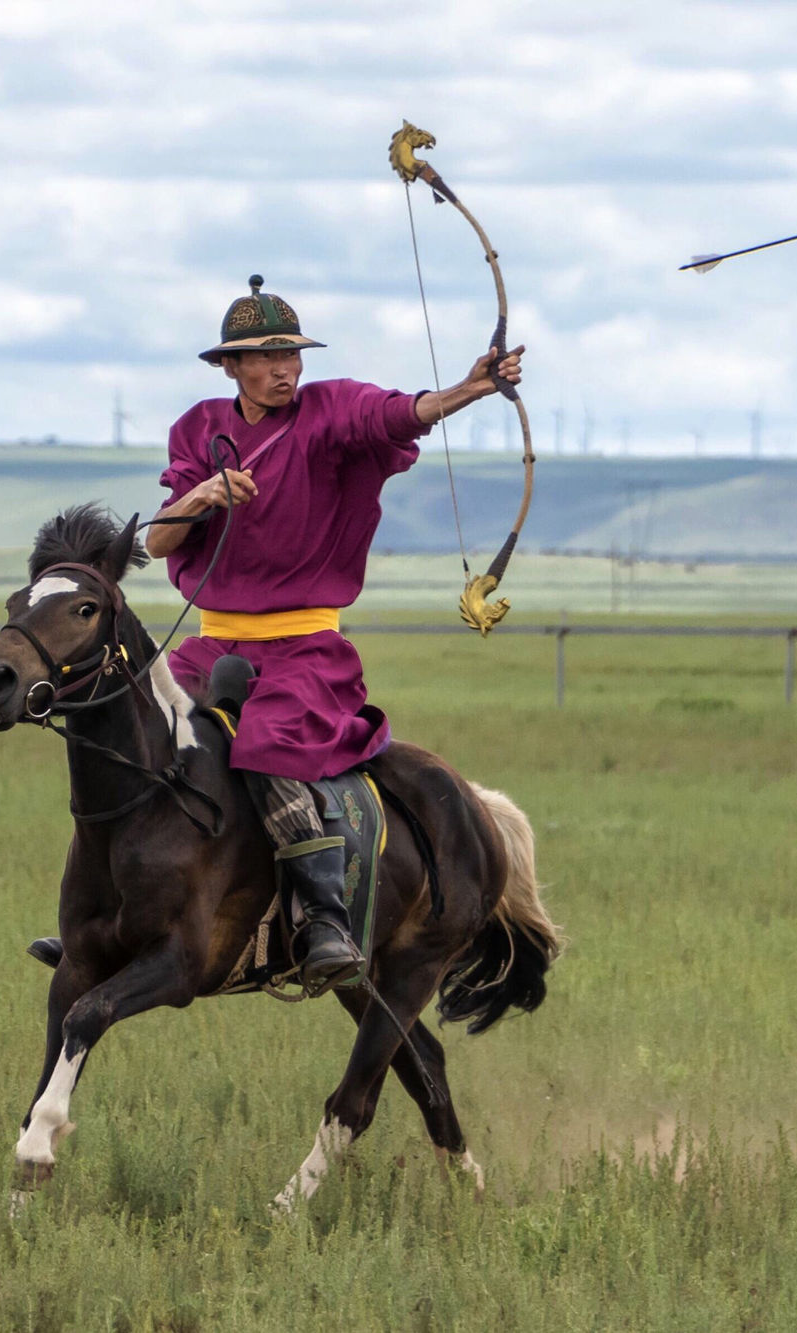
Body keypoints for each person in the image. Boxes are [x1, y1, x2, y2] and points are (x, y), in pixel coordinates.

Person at [146, 275, 521, 990]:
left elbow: (400, 414)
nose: (285, 367)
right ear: (230, 366)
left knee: (266, 743)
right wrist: (201, 494)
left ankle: (322, 916)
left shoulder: (330, 410)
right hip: (212, 642)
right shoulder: (198, 429)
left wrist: (469, 390)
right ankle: (124, 912)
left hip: (304, 650)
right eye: (265, 355)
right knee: (144, 732)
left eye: (291, 351)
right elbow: (159, 542)